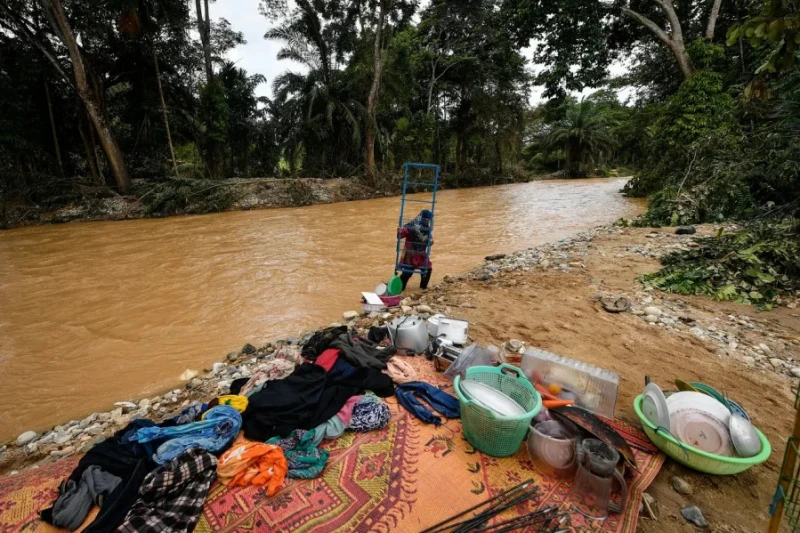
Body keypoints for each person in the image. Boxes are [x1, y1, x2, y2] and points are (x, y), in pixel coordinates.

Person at [397, 209, 433, 290]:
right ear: (422, 218)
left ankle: (423, 289)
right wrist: (400, 231)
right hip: (410, 255)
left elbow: (430, 240)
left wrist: (431, 241)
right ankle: (400, 289)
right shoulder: (411, 226)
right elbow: (402, 233)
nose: (428, 222)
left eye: (429, 220)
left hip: (421, 255)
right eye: (427, 220)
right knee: (407, 273)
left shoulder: (426, 229)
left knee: (427, 269)